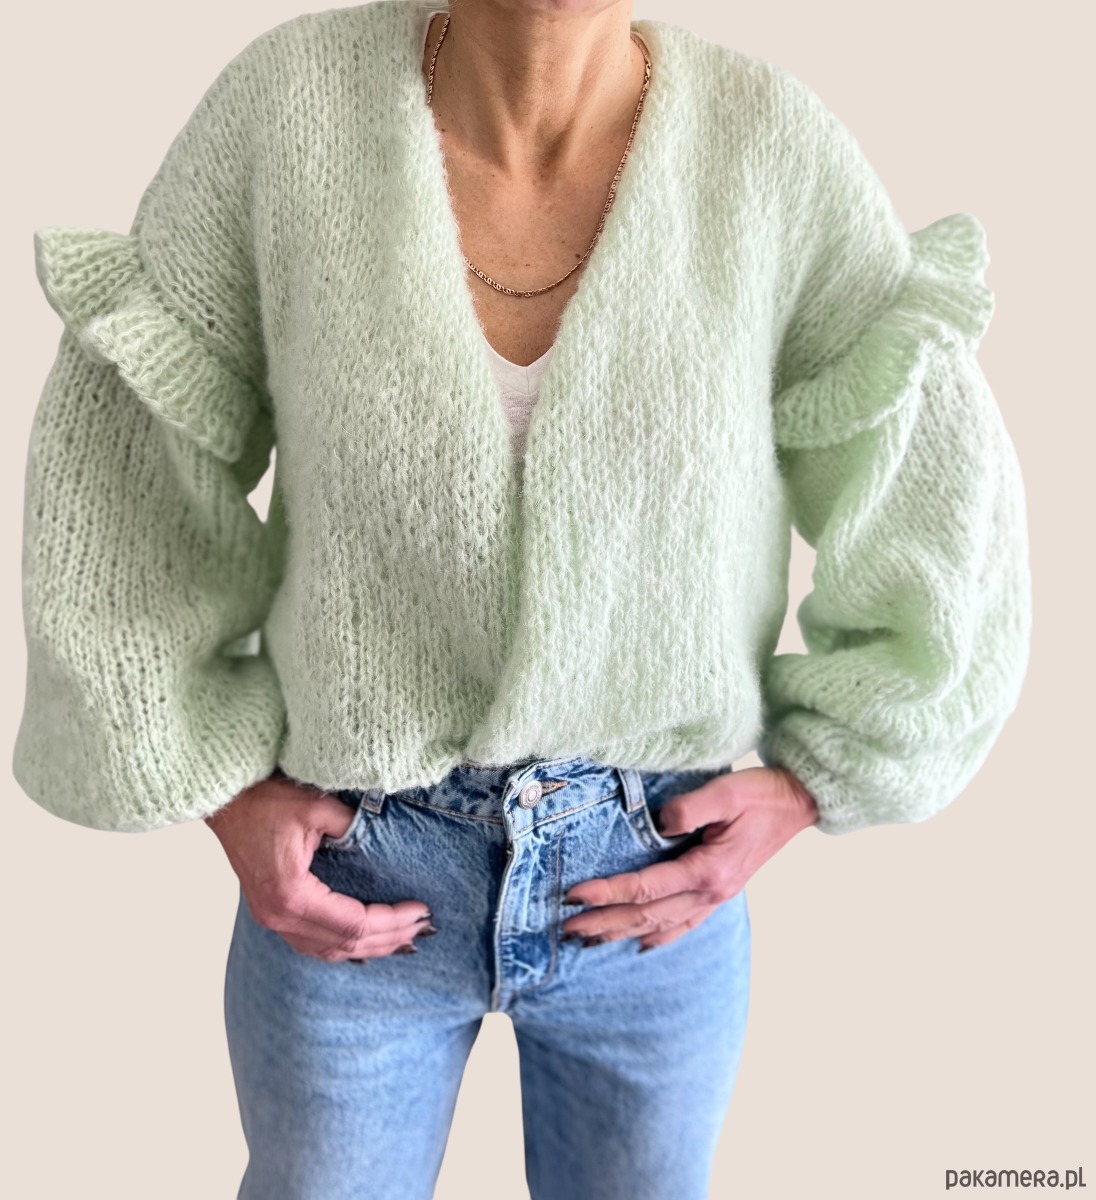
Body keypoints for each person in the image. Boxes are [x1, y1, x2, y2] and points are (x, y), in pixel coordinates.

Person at [12, 1, 1032, 1197]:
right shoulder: (289, 112)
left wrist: (822, 780)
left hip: (653, 874)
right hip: (353, 868)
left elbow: (926, 474)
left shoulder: (771, 148)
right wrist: (214, 784)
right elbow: (129, 458)